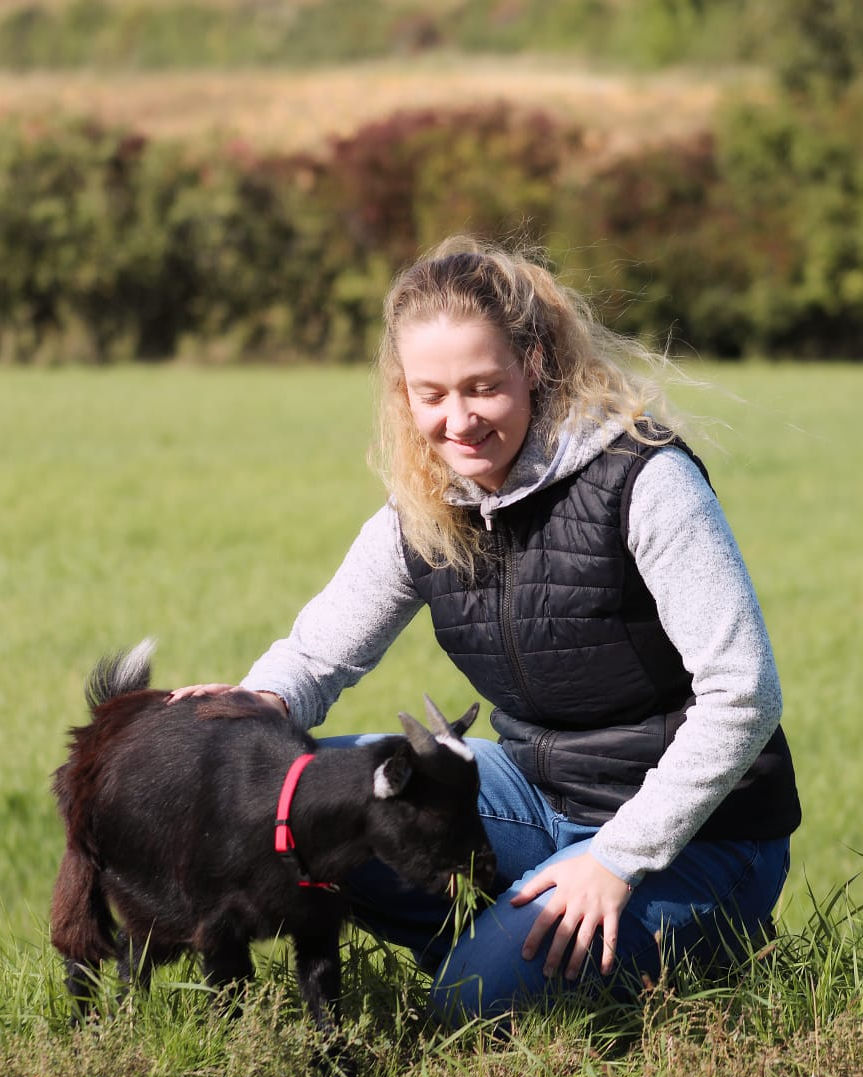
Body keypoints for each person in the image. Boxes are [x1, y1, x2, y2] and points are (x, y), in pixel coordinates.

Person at [169, 236, 801, 1022]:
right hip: (538, 797)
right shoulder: (427, 506)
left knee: (464, 1008)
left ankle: (658, 947)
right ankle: (514, 953)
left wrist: (614, 858)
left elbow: (744, 694)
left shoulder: (642, 479)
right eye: (430, 395)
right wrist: (251, 707)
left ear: (533, 364)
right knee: (298, 798)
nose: (457, 421)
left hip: (700, 838)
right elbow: (316, 655)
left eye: (482, 388)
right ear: (404, 393)